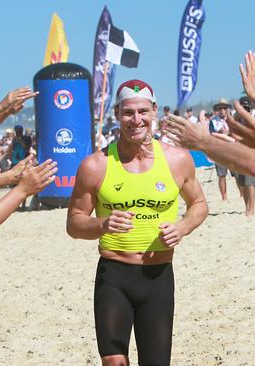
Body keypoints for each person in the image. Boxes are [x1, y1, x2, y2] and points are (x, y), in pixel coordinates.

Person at [67, 79, 208, 366]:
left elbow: (200, 205)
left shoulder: (177, 160)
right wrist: (102, 225)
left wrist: (181, 228)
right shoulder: (96, 165)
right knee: (114, 362)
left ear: (154, 111)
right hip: (114, 275)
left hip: (158, 277)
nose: (136, 120)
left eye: (142, 111)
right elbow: (74, 223)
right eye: (128, 112)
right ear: (117, 114)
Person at [209, 98, 231, 201]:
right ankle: (224, 197)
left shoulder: (233, 118)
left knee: (238, 175)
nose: (222, 110)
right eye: (220, 108)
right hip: (220, 150)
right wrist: (221, 133)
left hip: (233, 149)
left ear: (227, 109)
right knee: (222, 175)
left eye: (224, 108)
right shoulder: (213, 121)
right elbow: (211, 135)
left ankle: (241, 195)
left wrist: (228, 132)